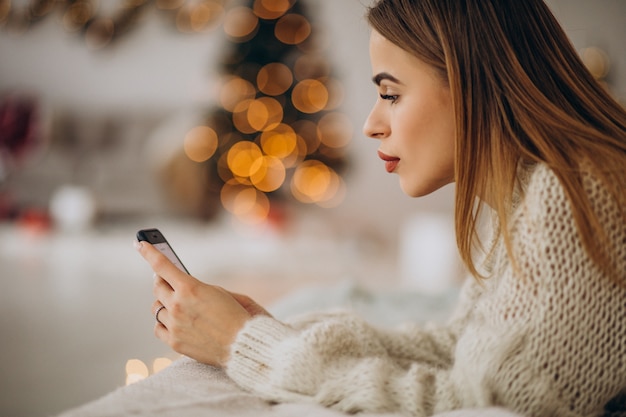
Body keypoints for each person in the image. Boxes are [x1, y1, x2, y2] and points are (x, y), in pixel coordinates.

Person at [134, 0, 626, 415]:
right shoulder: (532, 190)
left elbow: (483, 402)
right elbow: (463, 345)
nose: (371, 124)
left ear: (474, 82)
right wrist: (272, 333)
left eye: (390, 93)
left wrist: (245, 346)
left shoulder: (572, 196)